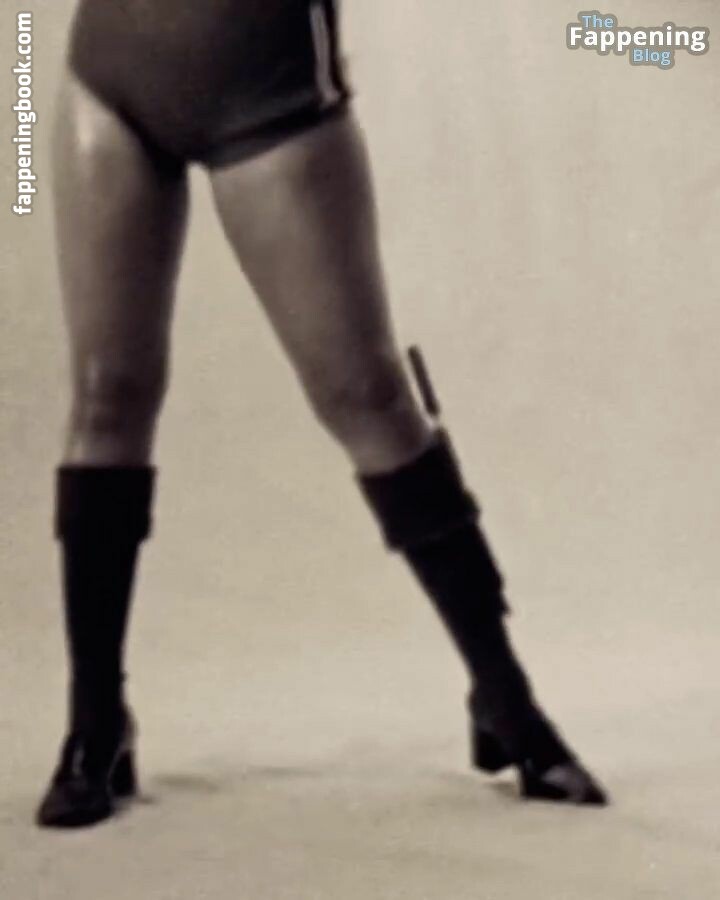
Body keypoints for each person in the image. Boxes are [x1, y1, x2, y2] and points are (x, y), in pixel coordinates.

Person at [37, 0, 608, 829]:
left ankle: (505, 696)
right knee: (106, 390)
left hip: (266, 90)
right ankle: (94, 724)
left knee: (367, 396)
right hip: (107, 78)